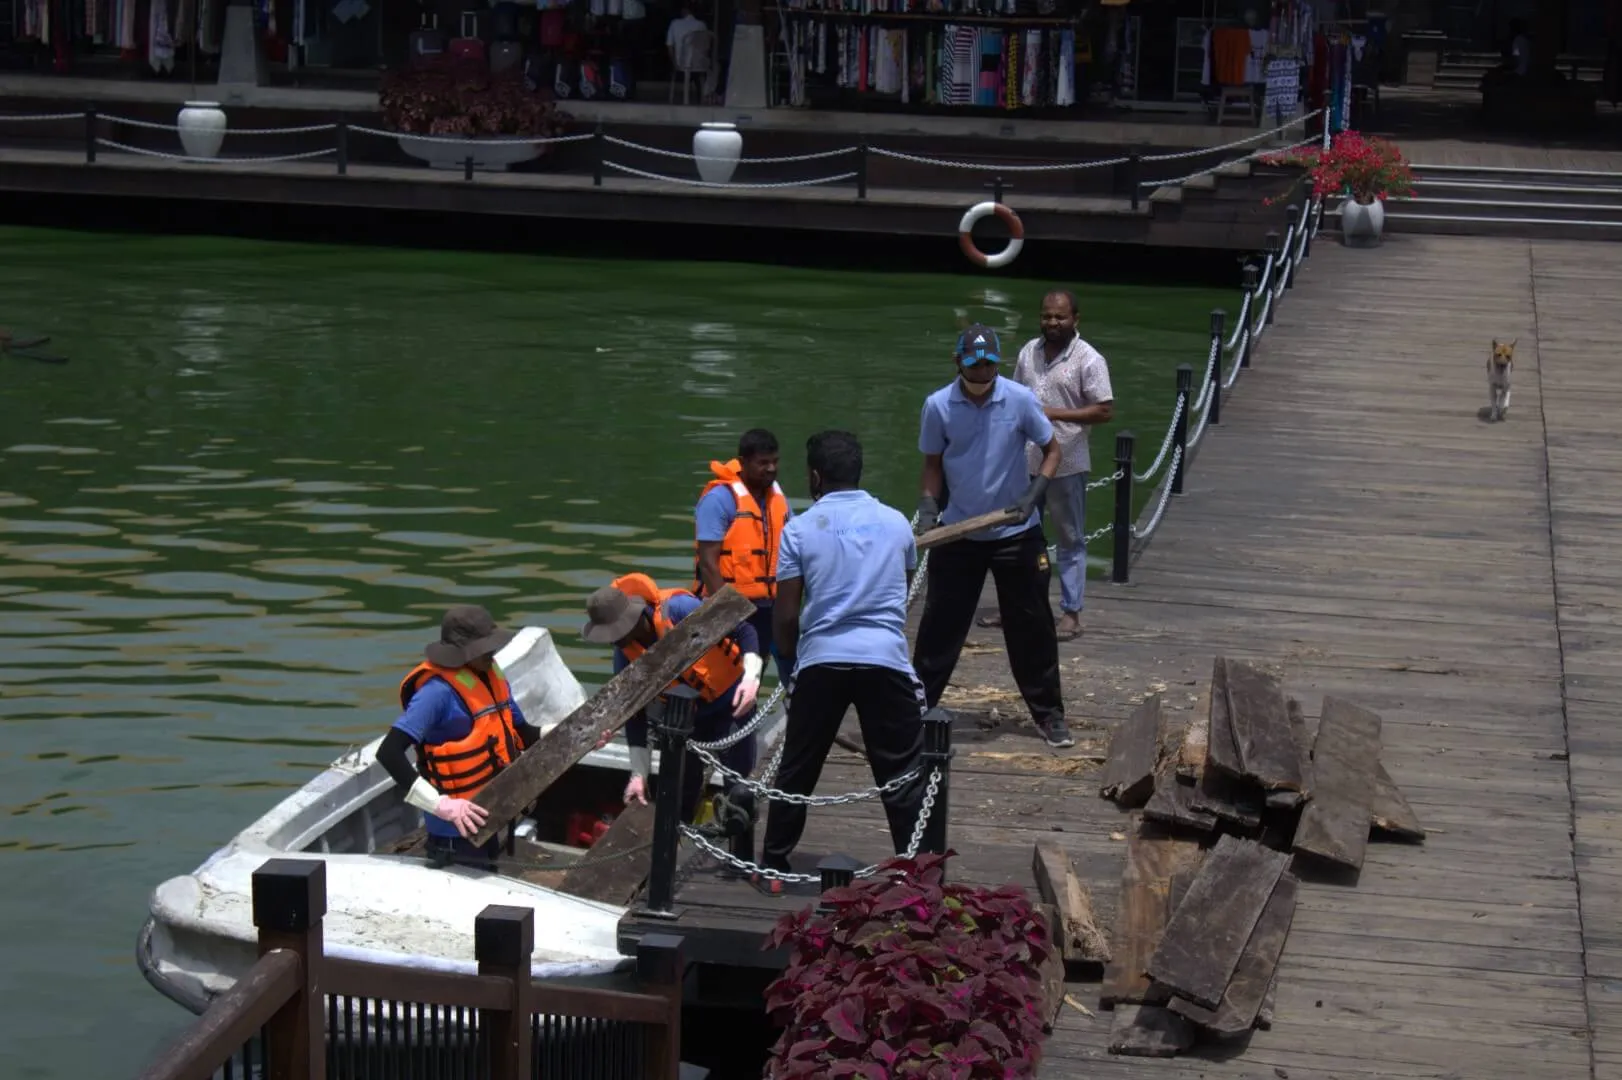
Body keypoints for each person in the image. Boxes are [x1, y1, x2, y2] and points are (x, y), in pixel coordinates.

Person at [758, 430, 928, 894]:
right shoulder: (896, 524)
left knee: (798, 765)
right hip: (885, 662)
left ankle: (773, 864)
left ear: (815, 476)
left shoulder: (800, 529)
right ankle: (919, 873)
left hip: (822, 661)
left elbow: (786, 613)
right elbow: (904, 587)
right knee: (901, 772)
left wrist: (790, 666)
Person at [912, 323, 1073, 749]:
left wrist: (1035, 492)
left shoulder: (1019, 400)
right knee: (939, 626)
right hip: (960, 530)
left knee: (1032, 626)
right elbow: (932, 464)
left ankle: (1048, 714)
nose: (981, 370)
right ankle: (916, 708)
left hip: (1016, 530)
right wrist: (929, 511)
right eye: (973, 363)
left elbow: (1052, 450)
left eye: (988, 363)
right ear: (958, 362)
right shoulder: (938, 406)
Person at [982, 289, 1114, 641]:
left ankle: (1071, 613)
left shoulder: (1089, 359)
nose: (1052, 323)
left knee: (1070, 538)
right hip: (1024, 461)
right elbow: (1011, 395)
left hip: (1067, 462)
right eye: (1046, 316)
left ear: (1075, 319)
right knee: (1015, 535)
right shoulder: (1029, 351)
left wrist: (1053, 414)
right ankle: (1016, 606)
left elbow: (1103, 409)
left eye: (1059, 317)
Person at [581, 573, 763, 821]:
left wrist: (751, 677)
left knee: (738, 789)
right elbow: (635, 714)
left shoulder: (679, 609)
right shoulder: (625, 655)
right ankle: (679, 845)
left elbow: (745, 629)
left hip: (731, 703)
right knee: (680, 793)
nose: (614, 640)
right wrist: (638, 774)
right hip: (687, 720)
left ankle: (736, 853)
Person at [378, 606, 542, 870]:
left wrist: (577, 734)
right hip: (454, 836)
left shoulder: (491, 676)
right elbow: (389, 752)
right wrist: (441, 805)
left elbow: (525, 732)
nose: (493, 652)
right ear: (460, 653)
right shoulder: (436, 693)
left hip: (491, 821)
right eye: (485, 648)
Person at [694, 428, 793, 681]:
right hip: (730, 608)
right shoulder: (719, 500)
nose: (771, 468)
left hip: (769, 607)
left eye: (775, 462)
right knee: (728, 680)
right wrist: (730, 615)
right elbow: (708, 564)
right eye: (763, 463)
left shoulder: (777, 499)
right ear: (744, 462)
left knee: (757, 676)